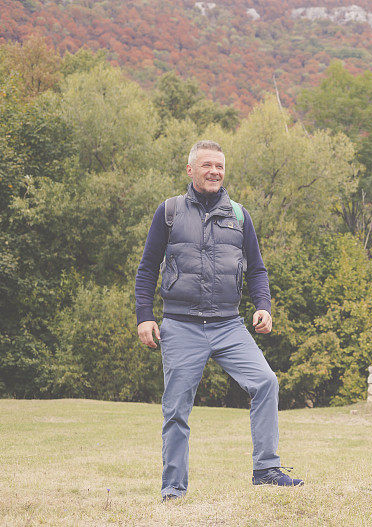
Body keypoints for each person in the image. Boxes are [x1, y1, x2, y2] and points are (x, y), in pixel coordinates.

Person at [135, 140, 303, 501]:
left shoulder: (240, 216)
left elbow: (257, 269)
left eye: (220, 167)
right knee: (176, 407)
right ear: (190, 169)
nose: (215, 172)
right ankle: (173, 489)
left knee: (265, 382)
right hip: (180, 324)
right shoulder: (169, 212)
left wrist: (263, 305)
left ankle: (266, 469)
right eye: (207, 165)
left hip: (229, 325)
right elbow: (147, 268)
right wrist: (144, 316)